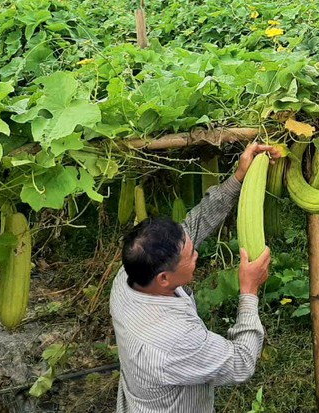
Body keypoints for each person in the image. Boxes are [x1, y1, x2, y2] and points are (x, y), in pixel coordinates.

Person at [109, 143, 280, 413]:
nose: (197, 253)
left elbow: (191, 228)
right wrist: (249, 291)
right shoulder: (174, 340)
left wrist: (238, 177)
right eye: (191, 255)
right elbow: (241, 363)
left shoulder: (129, 275)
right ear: (164, 278)